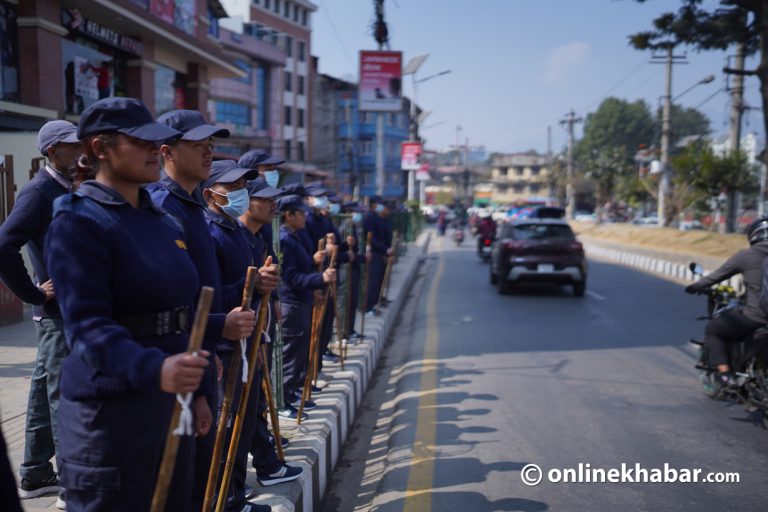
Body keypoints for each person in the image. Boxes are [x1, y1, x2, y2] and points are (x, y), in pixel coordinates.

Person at [45, 97, 209, 511]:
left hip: (170, 407)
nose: (156, 151)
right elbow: (87, 329)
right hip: (113, 416)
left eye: (158, 143)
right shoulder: (78, 220)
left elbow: (183, 310)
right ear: (100, 149)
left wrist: (201, 388)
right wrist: (156, 369)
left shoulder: (160, 219)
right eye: (142, 142)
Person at [147, 109, 258, 512]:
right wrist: (218, 327)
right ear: (167, 152)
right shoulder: (162, 207)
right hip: (178, 362)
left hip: (203, 354)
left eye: (211, 144)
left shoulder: (190, 204)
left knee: (199, 477)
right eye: (198, 145)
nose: (209, 152)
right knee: (182, 485)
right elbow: (169, 303)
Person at [0, 120, 81, 509]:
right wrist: (33, 292)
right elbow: (3, 246)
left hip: (62, 313)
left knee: (41, 394)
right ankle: (71, 488)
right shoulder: (39, 192)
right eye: (71, 146)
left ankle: (34, 474)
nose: (80, 150)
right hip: (56, 315)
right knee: (64, 397)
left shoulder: (68, 186)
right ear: (52, 152)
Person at [203, 160, 277, 512]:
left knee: (244, 422)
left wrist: (261, 284)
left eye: (242, 187)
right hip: (225, 344)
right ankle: (225, 499)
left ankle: (236, 492)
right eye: (231, 188)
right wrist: (251, 285)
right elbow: (213, 296)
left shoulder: (236, 230)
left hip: (248, 341)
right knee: (226, 424)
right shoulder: (210, 232)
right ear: (212, 194)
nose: (240, 194)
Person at [238, 179, 304, 486]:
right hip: (233, 339)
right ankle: (233, 491)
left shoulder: (256, 236)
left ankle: (264, 463)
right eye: (265, 199)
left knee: (254, 404)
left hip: (256, 331)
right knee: (235, 414)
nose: (272, 205)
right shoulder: (224, 234)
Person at [685, 216, 768, 388]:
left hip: (756, 319)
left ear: (754, 235)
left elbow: (716, 276)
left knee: (713, 329)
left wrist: (694, 287)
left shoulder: (746, 256)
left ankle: (725, 374)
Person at [277, 195, 336, 420]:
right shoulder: (284, 239)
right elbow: (290, 277)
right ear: (289, 215)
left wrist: (314, 262)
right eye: (300, 213)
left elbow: (304, 266)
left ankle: (292, 393)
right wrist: (320, 278)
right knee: (290, 354)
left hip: (302, 300)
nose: (305, 217)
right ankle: (283, 400)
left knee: (300, 352)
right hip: (291, 302)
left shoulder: (295, 236)